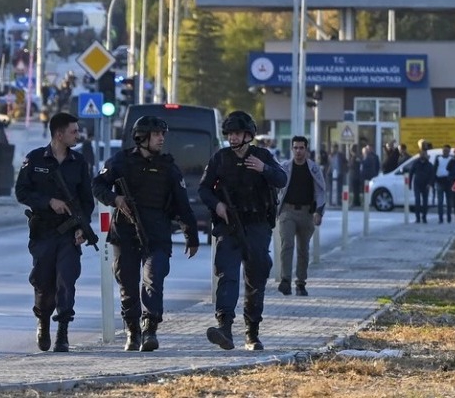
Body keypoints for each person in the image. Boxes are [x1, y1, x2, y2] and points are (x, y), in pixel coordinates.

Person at [92, 116, 200, 352]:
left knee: (153, 278)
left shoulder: (168, 167)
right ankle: (133, 331)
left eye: (163, 134)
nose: (162, 138)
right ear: (142, 137)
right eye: (156, 134)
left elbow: (182, 205)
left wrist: (191, 236)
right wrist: (115, 199)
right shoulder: (120, 161)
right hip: (125, 232)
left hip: (157, 233)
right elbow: (97, 184)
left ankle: (150, 328)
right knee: (127, 284)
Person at [198, 110, 287, 352]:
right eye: (229, 134)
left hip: (257, 226)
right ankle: (224, 327)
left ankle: (252, 332)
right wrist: (217, 205)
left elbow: (281, 179)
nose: (233, 138)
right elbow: (204, 189)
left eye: (237, 133)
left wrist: (263, 169)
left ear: (248, 135)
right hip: (229, 226)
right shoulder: (220, 159)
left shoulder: (262, 156)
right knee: (227, 274)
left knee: (256, 277)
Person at [15, 112, 95, 353]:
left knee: (66, 281)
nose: (77, 135)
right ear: (59, 134)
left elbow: (86, 200)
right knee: (43, 281)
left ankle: (63, 332)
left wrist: (83, 227)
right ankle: (43, 322)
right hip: (43, 231)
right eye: (73, 131)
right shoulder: (35, 159)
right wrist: (48, 201)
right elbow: (21, 192)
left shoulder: (79, 162)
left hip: (69, 234)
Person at [277, 136, 326, 297]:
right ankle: (285, 280)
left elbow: (321, 190)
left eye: (301, 148)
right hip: (287, 211)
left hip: (306, 213)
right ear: (292, 149)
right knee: (287, 244)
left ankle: (301, 283)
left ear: (306, 149)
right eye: (295, 148)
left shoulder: (313, 169)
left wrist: (319, 211)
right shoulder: (285, 167)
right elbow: (276, 187)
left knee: (303, 249)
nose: (298, 151)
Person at [408, 148, 435, 224]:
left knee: (425, 202)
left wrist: (430, 184)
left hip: (426, 185)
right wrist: (409, 184)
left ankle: (424, 217)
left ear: (426, 155)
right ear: (419, 154)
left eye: (424, 154)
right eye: (421, 154)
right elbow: (411, 173)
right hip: (417, 184)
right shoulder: (415, 163)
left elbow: (432, 175)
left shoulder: (429, 165)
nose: (423, 155)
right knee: (417, 201)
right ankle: (417, 218)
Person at [433, 144, 454, 223]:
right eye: (444, 150)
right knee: (440, 202)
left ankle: (449, 218)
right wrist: (434, 181)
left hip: (448, 182)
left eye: (447, 151)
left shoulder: (451, 159)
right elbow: (434, 169)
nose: (445, 152)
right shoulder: (438, 158)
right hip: (439, 181)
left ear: (449, 151)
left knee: (449, 202)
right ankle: (440, 218)